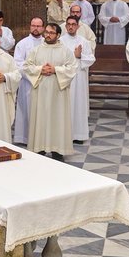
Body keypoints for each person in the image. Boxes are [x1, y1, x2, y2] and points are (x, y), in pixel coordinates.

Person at [24, 23, 77, 160]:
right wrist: (40, 69)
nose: (47, 35)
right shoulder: (36, 50)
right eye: (46, 32)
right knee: (40, 118)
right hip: (40, 91)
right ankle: (39, 149)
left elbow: (72, 68)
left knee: (57, 119)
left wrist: (56, 70)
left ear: (58, 35)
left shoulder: (65, 51)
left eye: (51, 33)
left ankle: (57, 151)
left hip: (57, 93)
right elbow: (27, 66)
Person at [60, 16, 95, 144]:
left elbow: (91, 59)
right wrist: (73, 56)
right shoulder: (60, 41)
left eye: (73, 24)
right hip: (65, 79)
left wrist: (80, 56)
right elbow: (58, 59)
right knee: (66, 106)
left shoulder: (84, 41)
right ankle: (65, 134)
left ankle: (79, 135)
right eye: (68, 24)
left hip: (79, 78)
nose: (70, 26)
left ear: (78, 26)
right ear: (65, 26)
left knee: (79, 105)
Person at [12, 17, 45, 145]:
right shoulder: (22, 44)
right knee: (26, 110)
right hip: (27, 84)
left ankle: (41, 138)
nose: (35, 28)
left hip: (44, 83)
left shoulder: (46, 44)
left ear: (42, 27)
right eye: (33, 25)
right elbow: (18, 65)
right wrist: (36, 73)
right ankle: (25, 137)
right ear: (30, 26)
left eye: (38, 26)